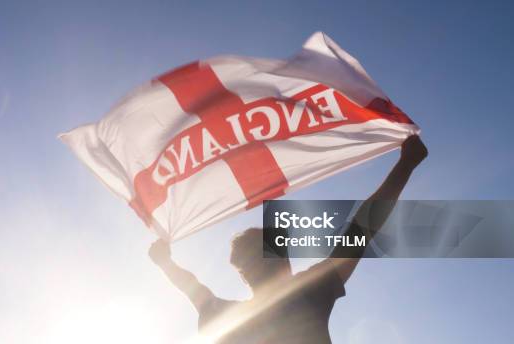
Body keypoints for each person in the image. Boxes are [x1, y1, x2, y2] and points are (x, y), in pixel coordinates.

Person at [149, 135, 428, 343]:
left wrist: (164, 263)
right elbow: (360, 231)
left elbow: (191, 286)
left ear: (242, 272)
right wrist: (406, 165)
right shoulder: (307, 295)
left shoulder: (222, 315)